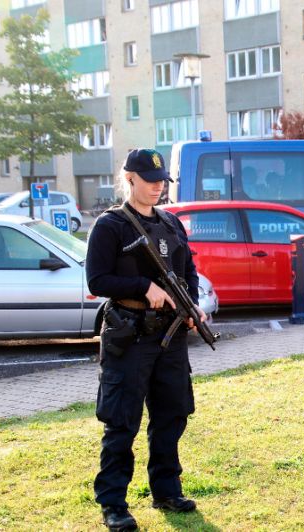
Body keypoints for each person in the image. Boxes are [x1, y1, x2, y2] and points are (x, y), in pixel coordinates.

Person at [86, 148, 206, 531]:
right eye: (149, 180)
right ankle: (114, 503)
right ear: (129, 179)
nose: (157, 187)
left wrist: (193, 306)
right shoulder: (110, 226)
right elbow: (97, 280)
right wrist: (143, 286)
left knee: (171, 413)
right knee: (122, 421)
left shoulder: (172, 224)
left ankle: (166, 490)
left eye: (161, 181)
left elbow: (188, 270)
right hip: (130, 334)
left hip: (169, 336)